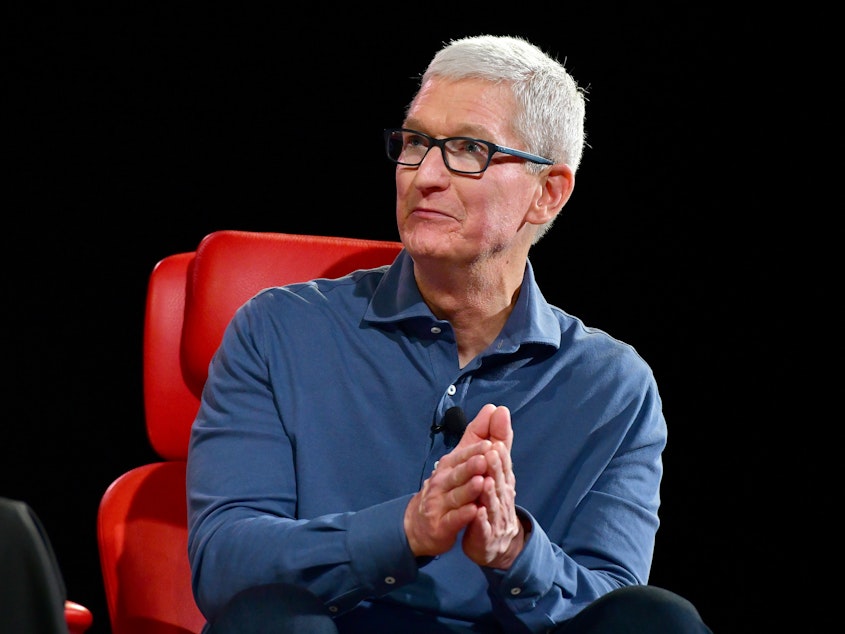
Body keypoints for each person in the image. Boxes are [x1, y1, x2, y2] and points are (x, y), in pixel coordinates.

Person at [186, 34, 713, 633]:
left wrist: (515, 552)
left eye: (467, 149)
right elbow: (224, 562)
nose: (424, 176)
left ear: (548, 193)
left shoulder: (613, 387)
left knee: (658, 620)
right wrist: (407, 532)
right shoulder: (278, 331)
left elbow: (613, 603)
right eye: (415, 142)